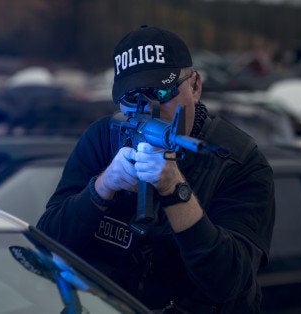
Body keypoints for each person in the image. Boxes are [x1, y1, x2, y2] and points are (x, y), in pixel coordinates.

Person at [37, 25, 275, 313]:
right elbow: (48, 244)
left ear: (195, 86)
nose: (150, 110)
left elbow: (227, 281)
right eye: (133, 99)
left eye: (163, 92)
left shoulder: (237, 159)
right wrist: (103, 187)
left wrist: (175, 191)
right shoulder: (103, 138)